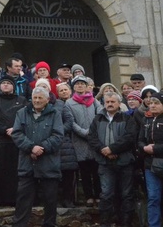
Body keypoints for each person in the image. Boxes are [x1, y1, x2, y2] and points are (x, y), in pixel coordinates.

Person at [11, 87, 64, 227]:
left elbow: (58, 136)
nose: (37, 100)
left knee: (50, 201)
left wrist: (42, 148)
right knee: (23, 200)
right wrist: (31, 148)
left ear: (47, 99)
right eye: (35, 98)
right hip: (27, 164)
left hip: (49, 164)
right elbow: (16, 134)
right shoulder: (21, 113)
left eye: (40, 98)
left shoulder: (55, 114)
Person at [87, 92, 137, 227]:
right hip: (105, 163)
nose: (109, 104)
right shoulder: (97, 119)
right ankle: (105, 223)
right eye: (107, 102)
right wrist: (104, 150)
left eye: (112, 102)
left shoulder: (127, 119)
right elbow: (92, 138)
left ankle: (125, 223)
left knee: (126, 194)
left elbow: (130, 137)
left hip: (125, 162)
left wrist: (113, 149)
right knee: (106, 194)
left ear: (119, 103)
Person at [0, 77, 27, 206]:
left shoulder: (21, 100)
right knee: (0, 172)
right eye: (3, 83)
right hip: (0, 141)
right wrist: (5, 130)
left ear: (13, 86)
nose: (5, 85)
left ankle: (16, 199)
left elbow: (26, 117)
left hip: (18, 141)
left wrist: (16, 129)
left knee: (16, 171)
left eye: (8, 83)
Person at [66, 75, 102, 207]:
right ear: (73, 87)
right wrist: (83, 132)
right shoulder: (69, 103)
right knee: (85, 170)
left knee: (96, 170)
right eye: (77, 84)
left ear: (87, 87)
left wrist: (92, 132)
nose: (80, 86)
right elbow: (71, 122)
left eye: (82, 84)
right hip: (79, 141)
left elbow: (100, 116)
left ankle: (98, 195)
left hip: (95, 139)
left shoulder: (95, 101)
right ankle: (89, 196)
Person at [138, 92, 163, 227]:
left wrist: (156, 149)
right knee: (153, 197)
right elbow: (140, 140)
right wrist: (144, 148)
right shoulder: (145, 119)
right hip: (150, 165)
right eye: (151, 103)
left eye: (156, 103)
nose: (152, 105)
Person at [55, 82, 79, 208]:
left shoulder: (61, 106)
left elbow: (69, 121)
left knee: (68, 175)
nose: (64, 92)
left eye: (66, 89)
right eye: (61, 90)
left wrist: (58, 131)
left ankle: (69, 199)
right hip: (54, 145)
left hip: (66, 144)